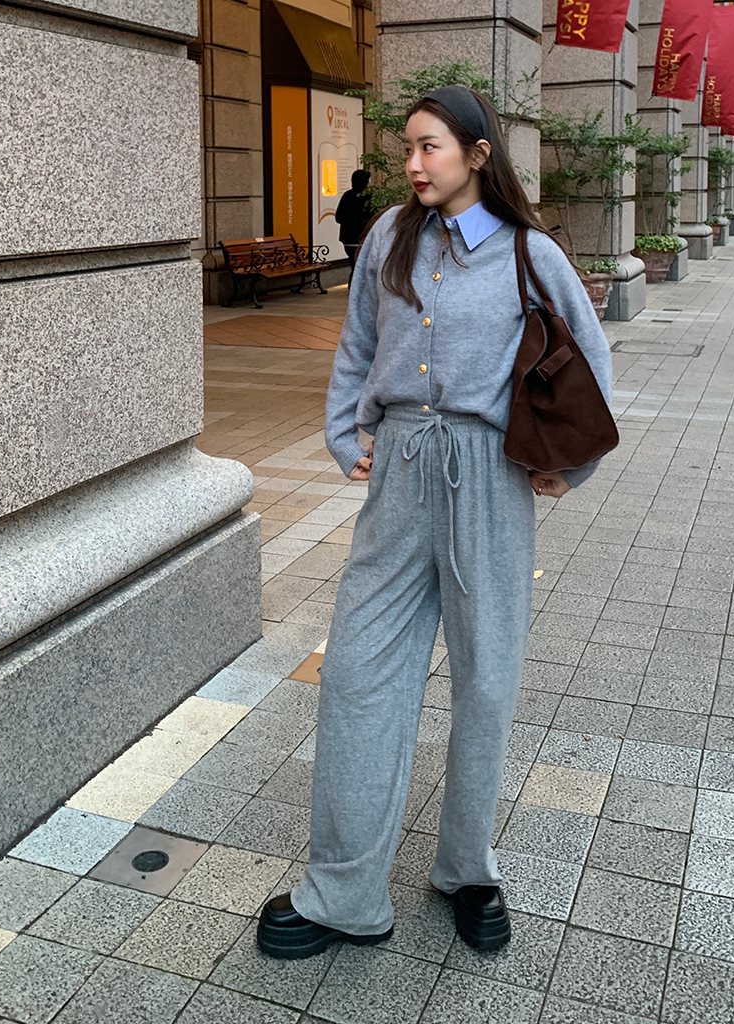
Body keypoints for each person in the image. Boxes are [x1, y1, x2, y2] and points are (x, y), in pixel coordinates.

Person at [256, 85, 613, 960]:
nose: (413, 164)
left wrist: (567, 466)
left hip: (490, 476)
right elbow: (357, 343)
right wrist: (346, 432)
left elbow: (591, 363)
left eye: (430, 148)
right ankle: (345, 894)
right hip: (402, 469)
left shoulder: (530, 253)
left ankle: (467, 870)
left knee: (486, 679)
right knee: (358, 673)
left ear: (478, 155)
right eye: (408, 148)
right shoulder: (389, 236)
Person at [335, 169, 375, 283]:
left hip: (348, 239)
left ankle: (353, 287)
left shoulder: (347, 196)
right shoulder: (370, 197)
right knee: (362, 267)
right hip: (363, 238)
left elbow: (338, 218)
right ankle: (357, 288)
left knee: (355, 266)